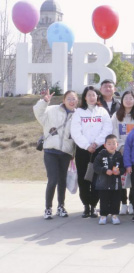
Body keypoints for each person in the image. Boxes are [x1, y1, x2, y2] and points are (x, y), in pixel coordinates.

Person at [33, 89, 77, 219]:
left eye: (74, 98)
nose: (71, 101)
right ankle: (48, 208)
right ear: (63, 100)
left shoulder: (77, 115)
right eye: (68, 98)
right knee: (53, 179)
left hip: (66, 152)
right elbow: (38, 113)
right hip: (51, 150)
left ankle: (61, 206)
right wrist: (44, 102)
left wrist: (73, 152)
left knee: (62, 180)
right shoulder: (52, 109)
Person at [70, 86, 112, 218]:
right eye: (89, 95)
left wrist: (96, 143)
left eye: (94, 95)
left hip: (99, 150)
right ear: (84, 97)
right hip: (83, 151)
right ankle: (86, 205)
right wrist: (87, 145)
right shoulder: (79, 113)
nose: (92, 97)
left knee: (97, 179)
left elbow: (107, 129)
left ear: (97, 97)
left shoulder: (102, 111)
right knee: (84, 179)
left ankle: (94, 205)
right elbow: (75, 132)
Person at [111, 90, 134, 215]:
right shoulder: (116, 116)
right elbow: (113, 133)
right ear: (122, 101)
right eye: (126, 98)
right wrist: (121, 147)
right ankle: (123, 203)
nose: (128, 100)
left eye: (131, 98)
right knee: (121, 178)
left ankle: (133, 203)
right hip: (120, 152)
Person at [93, 134, 125, 225]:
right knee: (104, 200)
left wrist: (119, 172)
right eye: (109, 144)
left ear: (117, 144)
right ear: (105, 145)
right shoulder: (100, 155)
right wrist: (104, 170)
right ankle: (103, 215)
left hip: (116, 183)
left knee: (116, 199)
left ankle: (114, 215)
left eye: (113, 143)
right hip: (103, 184)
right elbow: (95, 167)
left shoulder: (119, 155)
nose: (111, 146)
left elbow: (123, 168)